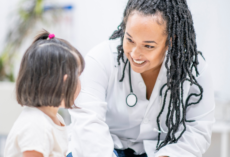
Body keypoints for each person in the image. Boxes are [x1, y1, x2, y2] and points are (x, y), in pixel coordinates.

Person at [67, 0, 215, 157]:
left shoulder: (194, 71)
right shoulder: (100, 59)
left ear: (170, 42)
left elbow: (197, 131)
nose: (135, 54)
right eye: (129, 39)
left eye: (148, 46)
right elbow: (88, 124)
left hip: (161, 152)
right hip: (103, 149)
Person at [4, 30, 85, 157]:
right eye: (78, 76)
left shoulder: (54, 118)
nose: (81, 83)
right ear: (64, 82)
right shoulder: (36, 126)